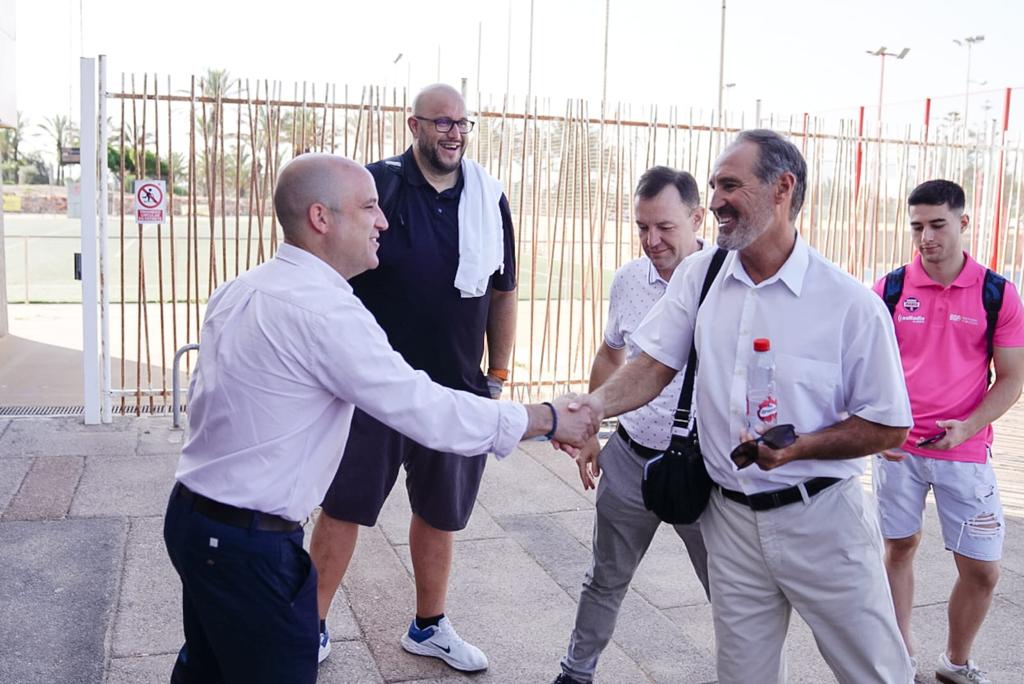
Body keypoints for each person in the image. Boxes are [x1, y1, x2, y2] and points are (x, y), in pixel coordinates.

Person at [163, 153, 597, 684]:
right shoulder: (324, 312)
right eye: (369, 207)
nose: (384, 221)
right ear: (322, 219)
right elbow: (427, 410)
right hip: (247, 549)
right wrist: (547, 417)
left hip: (195, 522)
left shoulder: (242, 287)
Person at [566, 129, 916, 683]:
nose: (718, 199)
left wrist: (804, 447)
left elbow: (889, 426)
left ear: (782, 188)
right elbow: (653, 364)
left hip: (822, 519)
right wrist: (591, 407)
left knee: (876, 673)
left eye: (731, 185)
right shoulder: (700, 277)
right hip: (727, 519)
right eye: (714, 186)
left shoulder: (849, 305)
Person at [309, 83, 518, 672]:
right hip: (372, 386)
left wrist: (495, 374)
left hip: (454, 385)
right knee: (345, 506)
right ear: (414, 125)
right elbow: (331, 276)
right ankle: (311, 625)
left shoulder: (488, 196)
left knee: (441, 511)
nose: (453, 132)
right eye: (441, 122)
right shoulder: (377, 186)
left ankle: (429, 626)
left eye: (461, 123)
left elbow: (503, 290)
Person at [552, 166, 710, 684]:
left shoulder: (726, 279)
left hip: (704, 471)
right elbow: (611, 351)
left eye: (664, 227)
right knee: (603, 579)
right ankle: (575, 674)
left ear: (696, 217)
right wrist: (594, 433)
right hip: (630, 456)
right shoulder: (628, 280)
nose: (651, 240)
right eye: (642, 227)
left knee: (732, 594)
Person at [872, 179, 1024, 684]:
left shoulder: (996, 293)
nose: (926, 237)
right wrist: (879, 429)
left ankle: (956, 663)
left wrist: (969, 427)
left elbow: (1012, 379)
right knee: (899, 547)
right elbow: (859, 367)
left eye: (937, 225)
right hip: (898, 451)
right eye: (917, 226)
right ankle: (900, 656)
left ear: (963, 223)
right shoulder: (890, 290)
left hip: (965, 449)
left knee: (983, 570)